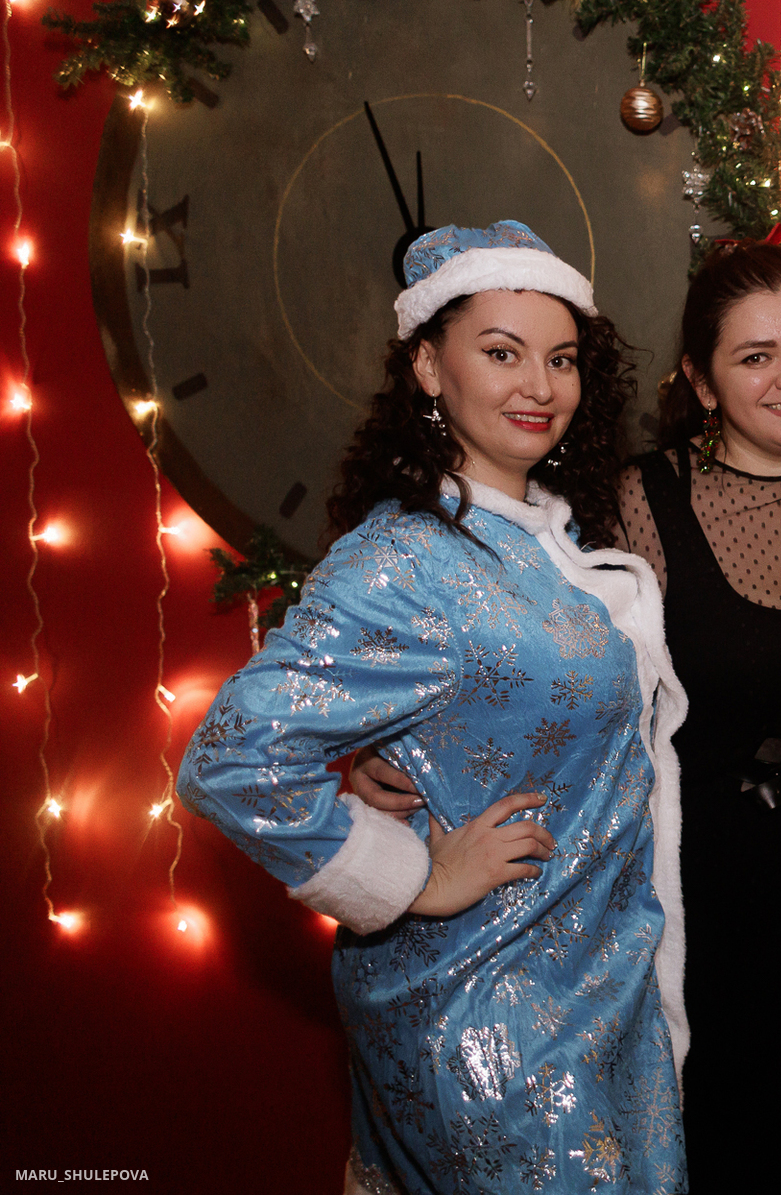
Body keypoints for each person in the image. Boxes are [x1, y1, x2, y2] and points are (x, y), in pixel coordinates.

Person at [355, 241, 781, 1191]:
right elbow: (535, 654)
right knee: (734, 1139)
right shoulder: (638, 500)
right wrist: (400, 747)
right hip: (715, 887)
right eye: (755, 356)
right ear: (700, 382)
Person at [178, 222, 689, 1195]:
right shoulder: (406, 559)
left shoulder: (547, 536)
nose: (539, 384)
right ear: (427, 365)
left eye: (562, 359)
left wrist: (392, 757)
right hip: (491, 1018)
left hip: (600, 991)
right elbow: (232, 760)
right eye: (500, 352)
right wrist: (409, 876)